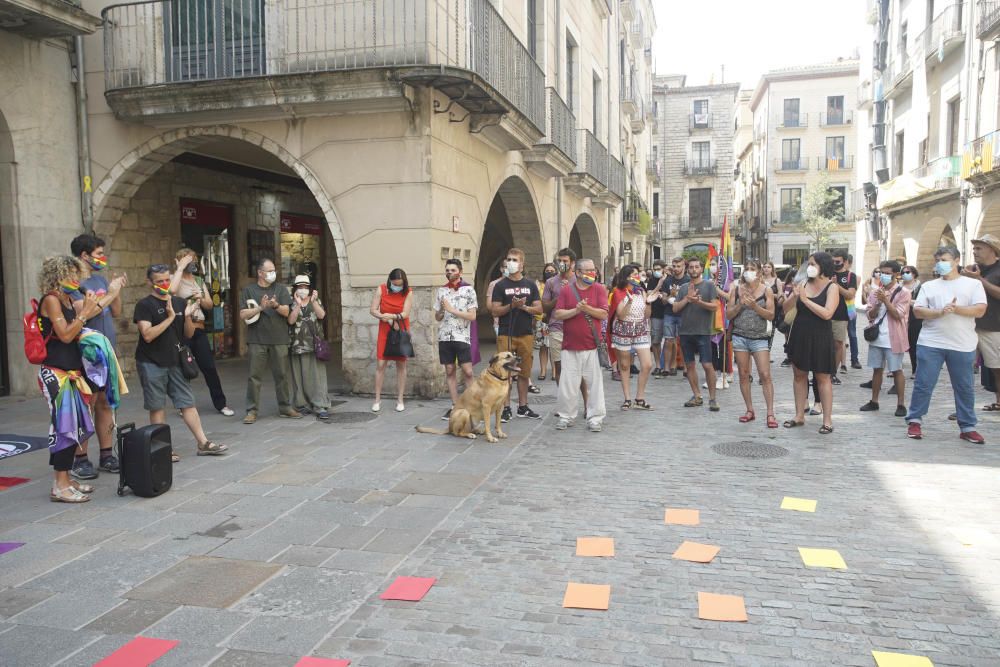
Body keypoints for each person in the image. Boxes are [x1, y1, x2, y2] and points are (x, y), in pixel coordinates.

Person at [134, 264, 228, 459]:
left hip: (175, 360)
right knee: (157, 406)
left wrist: (187, 318)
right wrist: (170, 318)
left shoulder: (178, 302)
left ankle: (203, 443)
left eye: (167, 280)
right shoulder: (144, 305)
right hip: (151, 362)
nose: (164, 284)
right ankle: (162, 449)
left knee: (187, 402)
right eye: (159, 281)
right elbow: (148, 335)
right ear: (150, 282)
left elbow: (188, 334)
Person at [37, 256, 105, 502]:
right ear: (57, 276)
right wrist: (84, 314)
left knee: (74, 428)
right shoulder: (52, 300)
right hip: (56, 373)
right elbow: (65, 335)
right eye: (71, 275)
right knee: (64, 428)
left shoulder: (66, 299)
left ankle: (66, 478)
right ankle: (60, 485)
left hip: (71, 372)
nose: (76, 280)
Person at [906, 246, 987, 443]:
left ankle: (967, 426)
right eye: (938, 260)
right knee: (924, 383)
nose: (940, 263)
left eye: (944, 259)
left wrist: (956, 309)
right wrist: (940, 312)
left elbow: (980, 309)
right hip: (931, 342)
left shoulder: (972, 285)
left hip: (962, 344)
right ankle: (915, 420)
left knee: (964, 386)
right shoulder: (929, 286)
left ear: (957, 260)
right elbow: (918, 311)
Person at [68, 234, 125, 480]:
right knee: (85, 403)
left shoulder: (100, 279)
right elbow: (85, 312)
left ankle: (106, 454)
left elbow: (117, 311)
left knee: (104, 402)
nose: (103, 258)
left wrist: (116, 290)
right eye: (99, 253)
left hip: (106, 350)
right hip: (84, 352)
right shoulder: (72, 283)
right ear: (84, 255)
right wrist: (111, 293)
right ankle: (80, 458)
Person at [169, 249, 234, 417]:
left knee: (209, 367)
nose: (193, 263)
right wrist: (179, 269)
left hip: (199, 328)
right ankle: (184, 405)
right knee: (184, 368)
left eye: (194, 260)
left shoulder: (198, 280)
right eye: (188, 260)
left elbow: (209, 305)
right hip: (182, 329)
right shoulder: (174, 278)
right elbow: (171, 292)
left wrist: (201, 296)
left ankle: (221, 404)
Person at [783, 252, 839, 434]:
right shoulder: (803, 283)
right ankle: (799, 415)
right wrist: (794, 295)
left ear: (823, 266)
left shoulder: (832, 287)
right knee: (799, 376)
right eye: (809, 264)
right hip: (800, 335)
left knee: (823, 378)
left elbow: (828, 313)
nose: (809, 267)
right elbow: (785, 309)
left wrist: (806, 300)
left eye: (813, 264)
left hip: (821, 337)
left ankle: (827, 420)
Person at [239, 258, 300, 424]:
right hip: (256, 340)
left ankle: (285, 407)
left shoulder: (280, 289)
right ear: (260, 272)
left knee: (282, 375)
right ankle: (251, 410)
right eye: (269, 270)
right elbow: (243, 314)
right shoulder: (249, 290)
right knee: (254, 376)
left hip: (279, 339)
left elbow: (287, 312)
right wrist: (261, 307)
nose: (273, 273)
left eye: (274, 270)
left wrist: (275, 306)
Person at [552, 258, 609, 432]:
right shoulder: (567, 290)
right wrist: (576, 310)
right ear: (577, 272)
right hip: (570, 345)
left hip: (592, 345)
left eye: (594, 270)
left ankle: (595, 418)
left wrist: (586, 309)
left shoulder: (599, 289)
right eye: (588, 270)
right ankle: (566, 416)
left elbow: (603, 314)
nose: (593, 273)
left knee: (594, 384)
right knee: (568, 384)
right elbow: (559, 313)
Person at [490, 248, 543, 421]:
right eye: (508, 259)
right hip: (506, 334)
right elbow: (495, 311)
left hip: (526, 334)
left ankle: (523, 406)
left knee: (524, 372)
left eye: (514, 260)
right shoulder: (500, 285)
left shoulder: (530, 285)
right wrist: (511, 306)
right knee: (505, 372)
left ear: (522, 264)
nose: (510, 262)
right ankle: (506, 408)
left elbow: (539, 308)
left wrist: (524, 307)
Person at [728, 260, 777, 427]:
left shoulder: (767, 290)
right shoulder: (736, 290)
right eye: (746, 269)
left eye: (752, 269)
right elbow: (728, 314)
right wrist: (740, 305)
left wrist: (755, 306)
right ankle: (749, 410)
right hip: (740, 336)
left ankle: (770, 413)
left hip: (759, 337)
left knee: (764, 374)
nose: (749, 271)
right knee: (743, 373)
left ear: (759, 273)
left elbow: (771, 315)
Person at [859, 261, 910, 417]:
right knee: (877, 370)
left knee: (896, 370)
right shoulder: (876, 292)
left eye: (888, 273)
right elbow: (869, 314)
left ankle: (901, 404)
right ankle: (874, 401)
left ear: (896, 274)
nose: (884, 276)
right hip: (877, 337)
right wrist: (878, 304)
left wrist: (886, 300)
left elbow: (898, 315)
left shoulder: (904, 292)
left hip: (894, 337)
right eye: (882, 272)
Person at [674, 258, 720, 411]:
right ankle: (697, 395)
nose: (694, 269)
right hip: (686, 331)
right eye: (691, 267)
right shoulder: (684, 288)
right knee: (689, 365)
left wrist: (699, 302)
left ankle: (712, 398)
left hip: (703, 332)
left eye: (696, 267)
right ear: (688, 270)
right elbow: (675, 308)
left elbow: (715, 307)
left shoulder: (709, 285)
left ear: (701, 269)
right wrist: (687, 299)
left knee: (707, 365)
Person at [435, 259, 478, 420]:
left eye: (452, 270)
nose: (449, 273)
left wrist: (452, 310)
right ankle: (455, 405)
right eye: (447, 270)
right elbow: (438, 317)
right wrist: (441, 310)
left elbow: (472, 316)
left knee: (467, 371)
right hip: (445, 336)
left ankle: (472, 404)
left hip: (462, 336)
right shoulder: (441, 291)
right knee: (449, 370)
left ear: (460, 271)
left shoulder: (468, 290)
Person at [963, 234, 1000, 411]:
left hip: (993, 326)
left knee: (997, 367)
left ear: (992, 250)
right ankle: (964, 406)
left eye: (979, 248)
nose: (975, 252)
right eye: (974, 248)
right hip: (970, 325)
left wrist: (979, 280)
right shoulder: (974, 269)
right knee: (963, 366)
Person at [610, 265, 655, 410]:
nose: (637, 277)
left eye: (638, 274)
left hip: (640, 328)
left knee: (647, 364)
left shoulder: (641, 291)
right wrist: (629, 302)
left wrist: (648, 302)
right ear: (626, 277)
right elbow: (621, 315)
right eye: (634, 274)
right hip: (623, 329)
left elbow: (647, 315)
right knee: (624, 365)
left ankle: (640, 398)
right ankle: (627, 398)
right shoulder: (618, 292)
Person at [288, 274, 331, 420]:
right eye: (300, 287)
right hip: (297, 345)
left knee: (316, 376)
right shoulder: (291, 302)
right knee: (298, 377)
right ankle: (302, 405)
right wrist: (298, 304)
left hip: (314, 345)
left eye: (305, 287)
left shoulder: (315, 300)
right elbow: (291, 320)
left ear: (310, 288)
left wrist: (313, 302)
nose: (302, 290)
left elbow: (321, 315)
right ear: (295, 288)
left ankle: (320, 405)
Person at [371, 268, 414, 413]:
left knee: (401, 364)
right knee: (381, 364)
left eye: (400, 284)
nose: (397, 286)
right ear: (390, 281)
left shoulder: (408, 292)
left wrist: (391, 316)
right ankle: (377, 399)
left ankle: (400, 399)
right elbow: (373, 310)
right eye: (395, 283)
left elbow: (406, 313)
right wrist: (386, 318)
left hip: (401, 328)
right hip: (385, 329)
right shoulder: (381, 289)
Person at [541, 248, 577, 384]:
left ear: (572, 263)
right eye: (559, 261)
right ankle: (563, 397)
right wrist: (560, 295)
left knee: (575, 367)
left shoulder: (578, 280)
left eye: (565, 261)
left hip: (575, 328)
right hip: (556, 327)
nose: (561, 263)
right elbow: (545, 307)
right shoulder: (551, 282)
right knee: (559, 366)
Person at [830, 250, 857, 383]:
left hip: (841, 315)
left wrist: (836, 285)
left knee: (838, 344)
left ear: (845, 262)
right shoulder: (827, 273)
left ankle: (833, 373)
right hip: (825, 314)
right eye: (833, 261)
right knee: (823, 345)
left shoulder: (850, 276)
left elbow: (850, 294)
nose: (835, 264)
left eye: (838, 262)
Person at [661, 257, 690, 376]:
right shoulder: (667, 281)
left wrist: (679, 296)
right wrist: (669, 296)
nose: (676, 269)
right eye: (674, 266)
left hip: (684, 314)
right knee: (668, 340)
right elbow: (663, 301)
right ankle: (667, 368)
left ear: (684, 267)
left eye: (678, 266)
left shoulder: (688, 281)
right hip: (669, 314)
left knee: (684, 341)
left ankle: (685, 368)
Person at [533, 263, 557, 387]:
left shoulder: (558, 284)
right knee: (543, 347)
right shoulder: (539, 285)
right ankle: (542, 370)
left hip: (554, 320)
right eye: (547, 270)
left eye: (552, 271)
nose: (549, 272)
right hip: (541, 320)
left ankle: (554, 371)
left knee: (553, 347)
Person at [645, 260, 668, 377]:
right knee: (655, 340)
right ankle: (658, 365)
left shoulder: (669, 279)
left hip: (669, 313)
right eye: (654, 269)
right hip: (656, 314)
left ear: (664, 269)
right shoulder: (652, 280)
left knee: (670, 341)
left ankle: (668, 366)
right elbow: (649, 296)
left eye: (658, 269)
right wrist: (659, 285)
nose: (656, 271)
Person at [900, 266, 922, 376]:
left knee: (913, 344)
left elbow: (921, 302)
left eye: (907, 272)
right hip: (899, 317)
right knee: (898, 343)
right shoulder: (898, 287)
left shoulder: (920, 287)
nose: (905, 274)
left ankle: (915, 369)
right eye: (903, 272)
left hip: (915, 319)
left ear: (913, 273)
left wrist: (908, 301)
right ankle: (896, 368)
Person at [844, 254, 863, 370]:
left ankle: (854, 359)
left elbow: (851, 293)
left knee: (852, 334)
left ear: (849, 263)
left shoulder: (854, 276)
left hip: (850, 308)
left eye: (845, 262)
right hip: (838, 308)